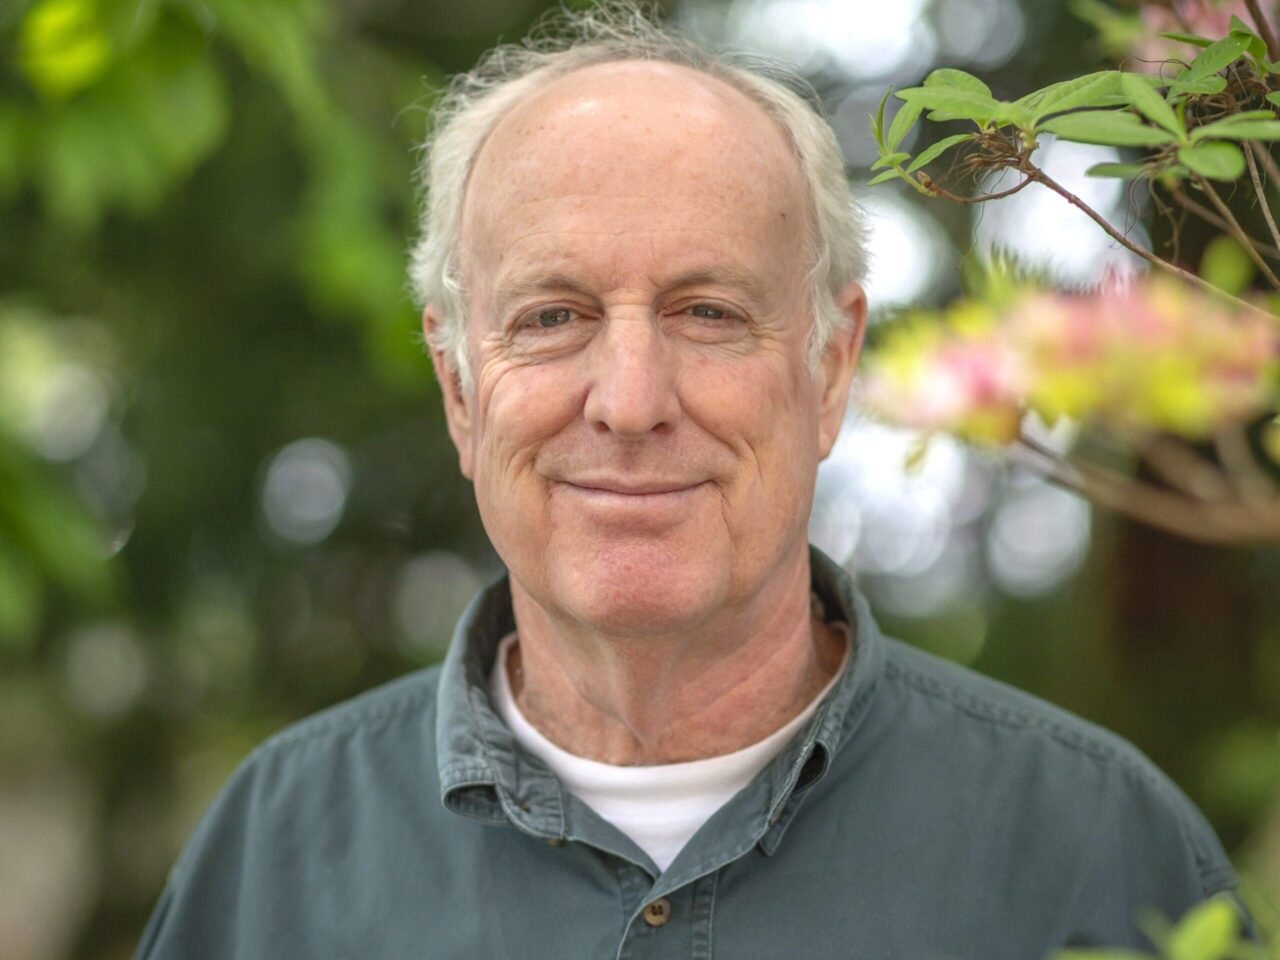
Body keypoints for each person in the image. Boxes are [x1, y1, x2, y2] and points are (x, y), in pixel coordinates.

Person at [136, 6, 1245, 958]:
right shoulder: (271, 855)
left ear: (828, 368)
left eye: (707, 313)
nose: (628, 399)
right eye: (552, 317)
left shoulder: (1096, 849)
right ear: (459, 389)